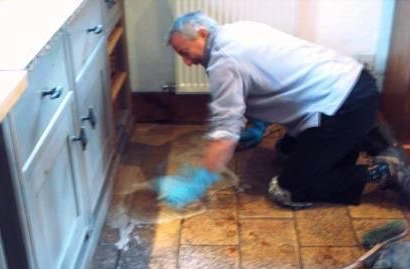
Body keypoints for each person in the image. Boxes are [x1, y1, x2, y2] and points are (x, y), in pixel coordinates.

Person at [156, 11, 410, 209]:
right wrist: (258, 124)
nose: (187, 62)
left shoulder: (224, 63)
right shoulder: (239, 29)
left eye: (185, 52)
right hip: (357, 85)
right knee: (286, 151)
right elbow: (270, 78)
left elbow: (224, 137)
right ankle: (370, 137)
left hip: (342, 108)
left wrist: (197, 182)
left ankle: (386, 172)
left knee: (289, 190)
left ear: (201, 33)